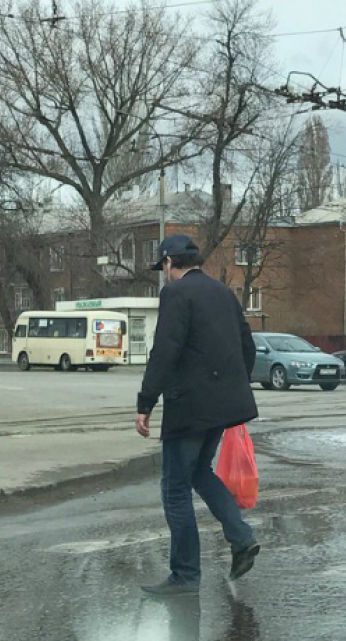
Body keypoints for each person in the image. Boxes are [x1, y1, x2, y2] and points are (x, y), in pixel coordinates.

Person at [135, 235, 260, 597]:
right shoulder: (223, 292)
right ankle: (241, 537)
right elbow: (246, 343)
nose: (165, 275)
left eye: (163, 268)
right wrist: (232, 387)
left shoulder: (175, 294)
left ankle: (185, 575)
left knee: (175, 490)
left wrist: (145, 403)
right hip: (224, 405)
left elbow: (165, 351)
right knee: (200, 473)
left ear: (171, 263)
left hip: (189, 407)